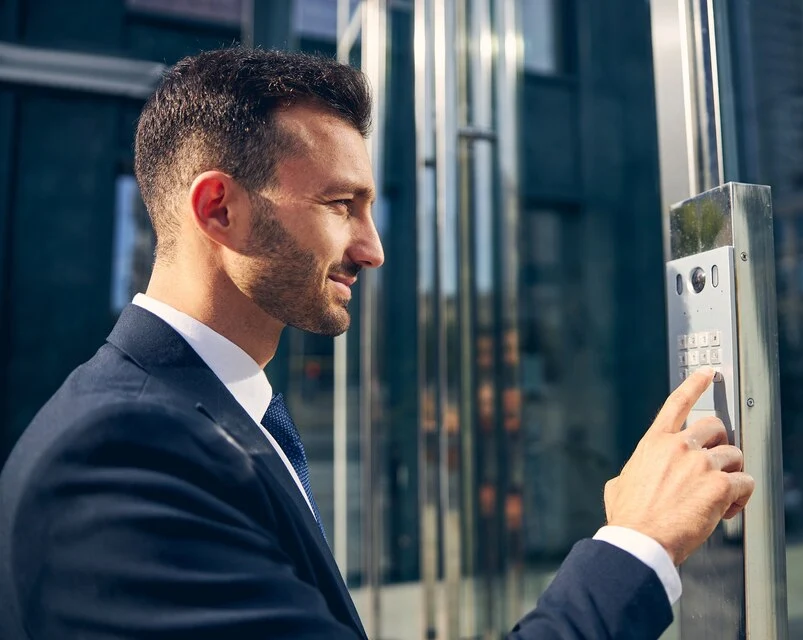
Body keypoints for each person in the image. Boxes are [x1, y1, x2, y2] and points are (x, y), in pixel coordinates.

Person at [0, 48, 754, 639]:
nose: (373, 248)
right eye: (341, 205)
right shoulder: (118, 452)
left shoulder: (192, 416)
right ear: (219, 209)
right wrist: (638, 544)